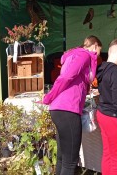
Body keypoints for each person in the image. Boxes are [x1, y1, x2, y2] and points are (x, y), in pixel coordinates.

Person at [43, 35, 102, 175]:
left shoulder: (73, 55)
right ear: (94, 47)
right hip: (68, 109)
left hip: (60, 108)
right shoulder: (85, 55)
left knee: (63, 158)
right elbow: (66, 76)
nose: (97, 56)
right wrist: (50, 95)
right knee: (70, 161)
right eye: (99, 51)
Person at [96, 39, 117, 175]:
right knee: (116, 157)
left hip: (102, 113)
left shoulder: (101, 68)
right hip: (112, 117)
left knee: (107, 153)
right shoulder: (115, 72)